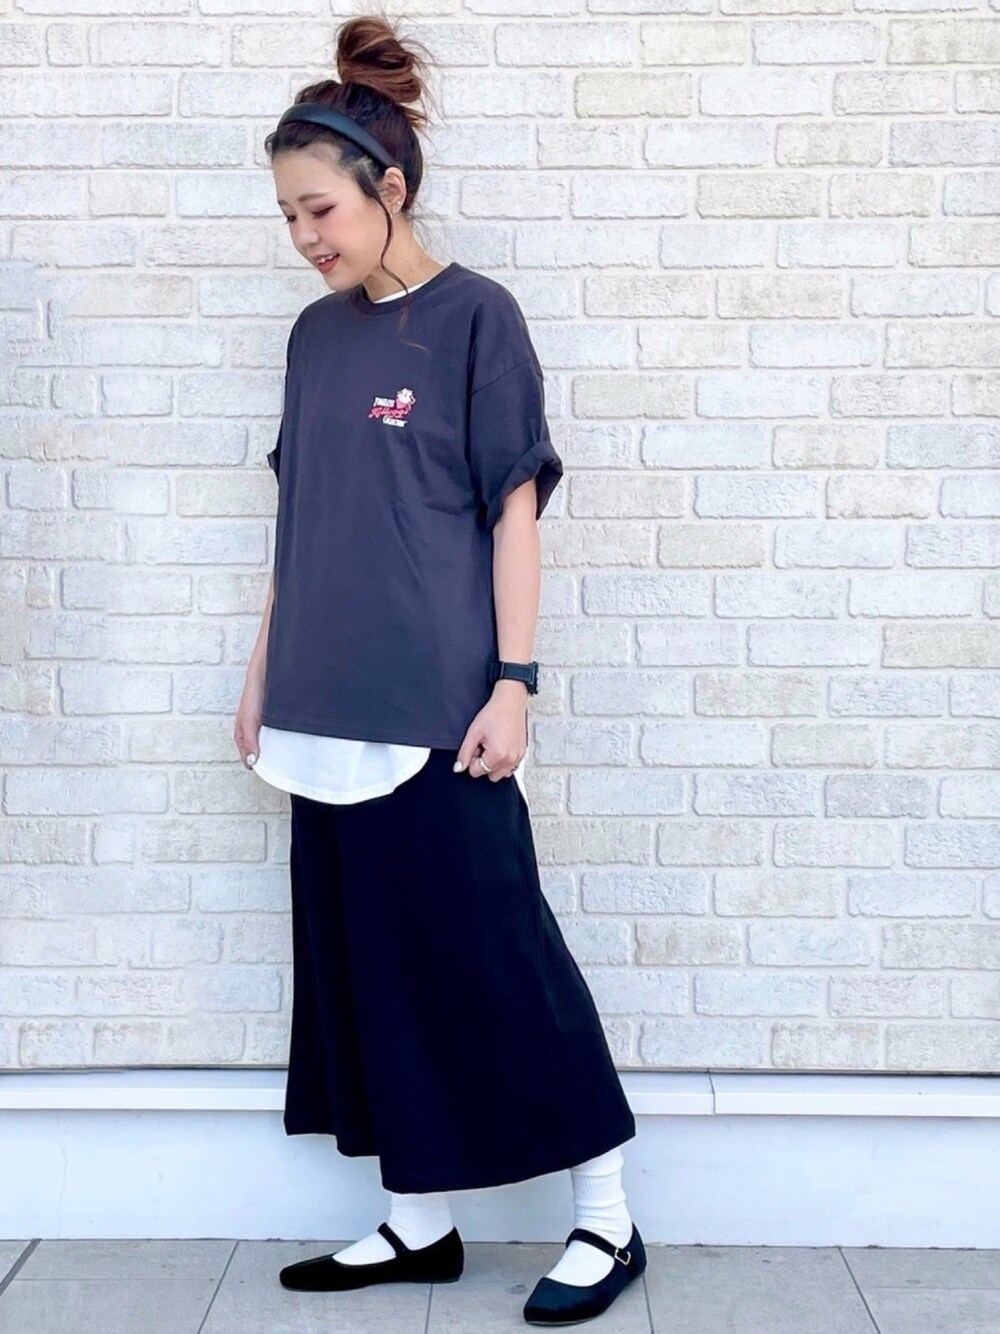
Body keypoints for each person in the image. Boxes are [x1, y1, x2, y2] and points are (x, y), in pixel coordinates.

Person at [232, 13, 646, 1326]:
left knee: (499, 959)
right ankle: (419, 1221)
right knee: (367, 975)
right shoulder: (314, 338)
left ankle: (608, 1216)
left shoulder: (476, 318)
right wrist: (261, 673)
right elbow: (301, 520)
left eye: (319, 209)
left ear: (390, 188)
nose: (306, 237)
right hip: (319, 707)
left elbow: (514, 510)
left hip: (436, 711)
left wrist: (515, 679)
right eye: (289, 216)